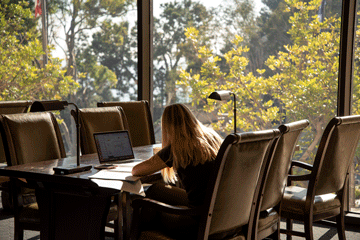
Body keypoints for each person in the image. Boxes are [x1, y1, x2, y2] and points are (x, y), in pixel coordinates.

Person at [131, 103, 223, 238]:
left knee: (149, 209)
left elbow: (136, 171)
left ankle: (139, 235)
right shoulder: (212, 138)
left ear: (167, 127)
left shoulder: (176, 149)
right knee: (155, 190)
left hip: (197, 219)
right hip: (217, 209)